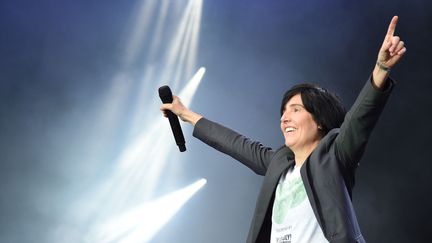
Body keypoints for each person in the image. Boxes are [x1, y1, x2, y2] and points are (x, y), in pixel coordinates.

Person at [160, 16, 406, 243]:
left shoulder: (334, 154)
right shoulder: (279, 163)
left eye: (296, 110)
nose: (285, 118)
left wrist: (381, 69)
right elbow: (234, 143)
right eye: (284, 112)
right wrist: (186, 114)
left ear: (319, 120)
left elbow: (361, 118)